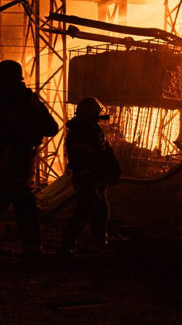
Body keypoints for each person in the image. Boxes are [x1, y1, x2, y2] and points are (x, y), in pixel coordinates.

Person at [0, 60, 59, 267]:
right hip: (22, 168)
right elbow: (52, 128)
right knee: (27, 215)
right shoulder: (33, 102)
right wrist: (30, 133)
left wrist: (13, 132)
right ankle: (33, 255)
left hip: (1, 168)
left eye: (0, 78)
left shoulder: (3, 103)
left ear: (7, 79)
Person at [61, 97, 121, 257]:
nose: (99, 117)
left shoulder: (93, 130)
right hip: (88, 178)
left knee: (101, 208)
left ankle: (99, 241)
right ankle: (67, 246)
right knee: (85, 209)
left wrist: (113, 169)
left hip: (98, 177)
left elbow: (105, 152)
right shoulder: (79, 134)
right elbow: (80, 159)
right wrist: (88, 177)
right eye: (96, 114)